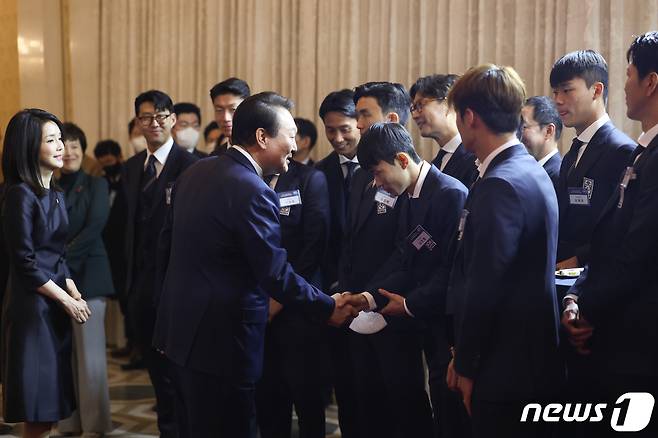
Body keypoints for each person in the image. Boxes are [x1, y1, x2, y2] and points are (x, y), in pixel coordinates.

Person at [153, 91, 361, 438]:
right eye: (290, 135)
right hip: (224, 340)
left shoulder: (196, 172)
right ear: (263, 137)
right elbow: (274, 273)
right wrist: (327, 306)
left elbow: (168, 249)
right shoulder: (252, 188)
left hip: (182, 336)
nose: (295, 146)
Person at [446, 65, 564, 438]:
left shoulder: (501, 184)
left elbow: (485, 286)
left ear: (469, 116)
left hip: (505, 368)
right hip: (524, 360)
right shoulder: (527, 169)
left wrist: (465, 363)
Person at [562, 31, 658, 438]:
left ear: (651, 82)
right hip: (608, 326)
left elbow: (636, 252)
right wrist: (575, 297)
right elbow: (608, 241)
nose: (625, 84)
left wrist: (589, 311)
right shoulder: (644, 151)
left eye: (630, 73)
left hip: (634, 341)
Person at [355, 122, 468, 438]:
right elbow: (405, 258)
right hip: (428, 322)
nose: (378, 184)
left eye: (378, 174)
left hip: (451, 328)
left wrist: (408, 305)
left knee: (452, 415)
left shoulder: (450, 194)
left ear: (402, 160)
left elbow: (451, 270)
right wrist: (368, 297)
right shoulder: (408, 195)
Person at [344, 81, 428, 438]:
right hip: (360, 307)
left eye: (365, 114)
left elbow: (406, 249)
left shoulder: (408, 177)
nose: (357, 123)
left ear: (392, 119)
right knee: (367, 402)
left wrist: (374, 297)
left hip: (394, 306)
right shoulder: (364, 173)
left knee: (404, 405)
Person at [1, 108, 91, 438]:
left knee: (50, 411)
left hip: (51, 307)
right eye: (51, 140)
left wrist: (72, 289)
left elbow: (57, 254)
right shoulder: (19, 195)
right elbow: (25, 262)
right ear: (27, 146)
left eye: (61, 139)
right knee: (37, 411)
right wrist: (66, 300)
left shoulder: (55, 194)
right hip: (31, 310)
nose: (61, 147)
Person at [119, 89, 198, 437]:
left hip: (177, 288)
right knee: (156, 376)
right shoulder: (132, 168)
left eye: (161, 116)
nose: (154, 123)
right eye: (146, 117)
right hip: (141, 288)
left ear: (172, 120)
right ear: (138, 123)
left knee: (182, 376)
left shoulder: (194, 166)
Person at [256, 140, 331, 438]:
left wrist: (280, 299)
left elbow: (315, 245)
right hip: (258, 305)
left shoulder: (309, 178)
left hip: (298, 304)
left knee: (307, 395)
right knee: (268, 396)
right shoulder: (248, 177)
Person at [550, 50, 636, 270]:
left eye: (567, 90)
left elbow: (621, 228)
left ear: (596, 90)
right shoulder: (572, 153)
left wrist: (578, 260)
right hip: (561, 272)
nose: (558, 100)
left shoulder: (621, 151)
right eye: (555, 92)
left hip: (594, 276)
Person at [56, 122, 114, 436]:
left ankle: (95, 425)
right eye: (63, 145)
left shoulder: (97, 185)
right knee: (64, 356)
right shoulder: (48, 188)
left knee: (90, 357)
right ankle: (68, 420)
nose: (70, 151)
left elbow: (94, 229)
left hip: (88, 279)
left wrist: (60, 265)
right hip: (57, 285)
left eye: (76, 145)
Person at [410, 74, 478, 187]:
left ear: (449, 102)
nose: (414, 115)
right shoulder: (434, 164)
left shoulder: (476, 157)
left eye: (420, 105)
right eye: (413, 108)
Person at [520, 96, 563, 189]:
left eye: (523, 127)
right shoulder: (530, 171)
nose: (518, 134)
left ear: (548, 131)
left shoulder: (557, 176)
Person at [209, 77, 251, 155]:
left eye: (233, 109)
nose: (226, 118)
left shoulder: (265, 153)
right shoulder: (215, 157)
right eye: (219, 110)